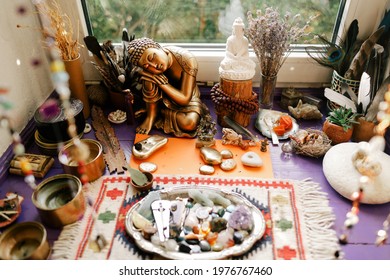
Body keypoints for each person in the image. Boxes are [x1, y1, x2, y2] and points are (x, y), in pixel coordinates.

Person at [127, 37, 207, 137]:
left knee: (189, 123)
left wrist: (163, 84)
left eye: (151, 58)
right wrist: (150, 75)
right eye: (146, 66)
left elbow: (185, 99)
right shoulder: (151, 70)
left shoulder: (187, 60)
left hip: (186, 95)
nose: (153, 66)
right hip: (162, 95)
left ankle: (159, 111)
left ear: (159, 47)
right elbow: (143, 73)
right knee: (147, 77)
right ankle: (151, 115)